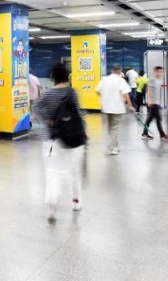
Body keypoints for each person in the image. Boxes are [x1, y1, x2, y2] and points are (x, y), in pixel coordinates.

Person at [36, 63, 86, 221]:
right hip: (73, 138)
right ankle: (76, 201)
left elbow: (37, 107)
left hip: (52, 139)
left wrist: (48, 120)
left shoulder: (48, 94)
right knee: (74, 171)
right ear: (67, 76)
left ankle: (51, 205)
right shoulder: (72, 93)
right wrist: (84, 131)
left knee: (52, 173)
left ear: (53, 78)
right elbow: (79, 113)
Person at [96, 64, 134, 155]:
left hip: (107, 108)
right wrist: (130, 106)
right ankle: (112, 149)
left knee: (110, 128)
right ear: (119, 71)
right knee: (115, 128)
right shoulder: (120, 80)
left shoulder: (105, 79)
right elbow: (126, 94)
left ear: (112, 70)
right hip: (117, 108)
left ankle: (115, 146)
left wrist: (104, 99)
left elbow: (98, 91)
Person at [142, 66, 167, 140]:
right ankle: (162, 135)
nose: (160, 73)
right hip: (153, 103)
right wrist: (150, 101)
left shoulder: (160, 81)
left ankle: (145, 133)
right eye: (159, 72)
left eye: (162, 72)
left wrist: (160, 102)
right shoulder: (152, 80)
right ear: (155, 72)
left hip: (156, 102)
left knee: (150, 119)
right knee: (158, 119)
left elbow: (159, 92)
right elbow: (149, 90)